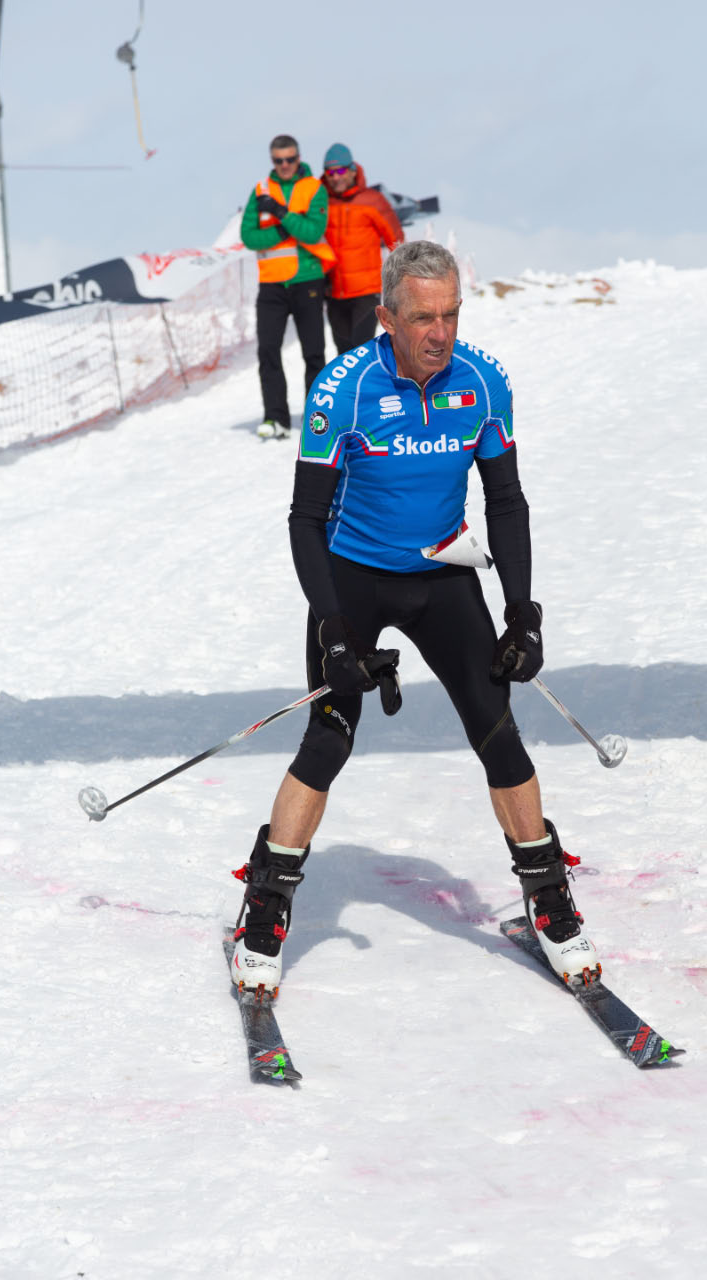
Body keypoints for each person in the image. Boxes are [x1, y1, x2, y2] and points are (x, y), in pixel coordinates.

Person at [228, 240, 600, 998]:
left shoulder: (483, 381)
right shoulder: (344, 388)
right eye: (424, 317)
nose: (441, 332)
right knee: (329, 738)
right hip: (354, 581)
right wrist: (333, 629)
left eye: (452, 314)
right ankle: (265, 907)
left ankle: (548, 900)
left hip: (442, 576)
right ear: (386, 317)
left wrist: (522, 613)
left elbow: (506, 501)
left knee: (498, 732)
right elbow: (304, 519)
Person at [240, 134, 336, 440]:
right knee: (268, 351)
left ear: (298, 158)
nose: (284, 165)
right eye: (278, 160)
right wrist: (286, 230)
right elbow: (249, 237)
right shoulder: (261, 191)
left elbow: (313, 232)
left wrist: (280, 214)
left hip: (307, 280)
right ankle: (275, 418)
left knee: (314, 353)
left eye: (290, 159)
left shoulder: (313, 188)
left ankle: (316, 418)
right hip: (271, 284)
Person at [321, 142, 404, 355]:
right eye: (330, 172)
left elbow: (396, 240)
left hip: (366, 292)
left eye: (340, 171)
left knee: (362, 351)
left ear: (352, 170)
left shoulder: (373, 200)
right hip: (334, 292)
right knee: (343, 355)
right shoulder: (321, 202)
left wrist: (402, 281)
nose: (336, 177)